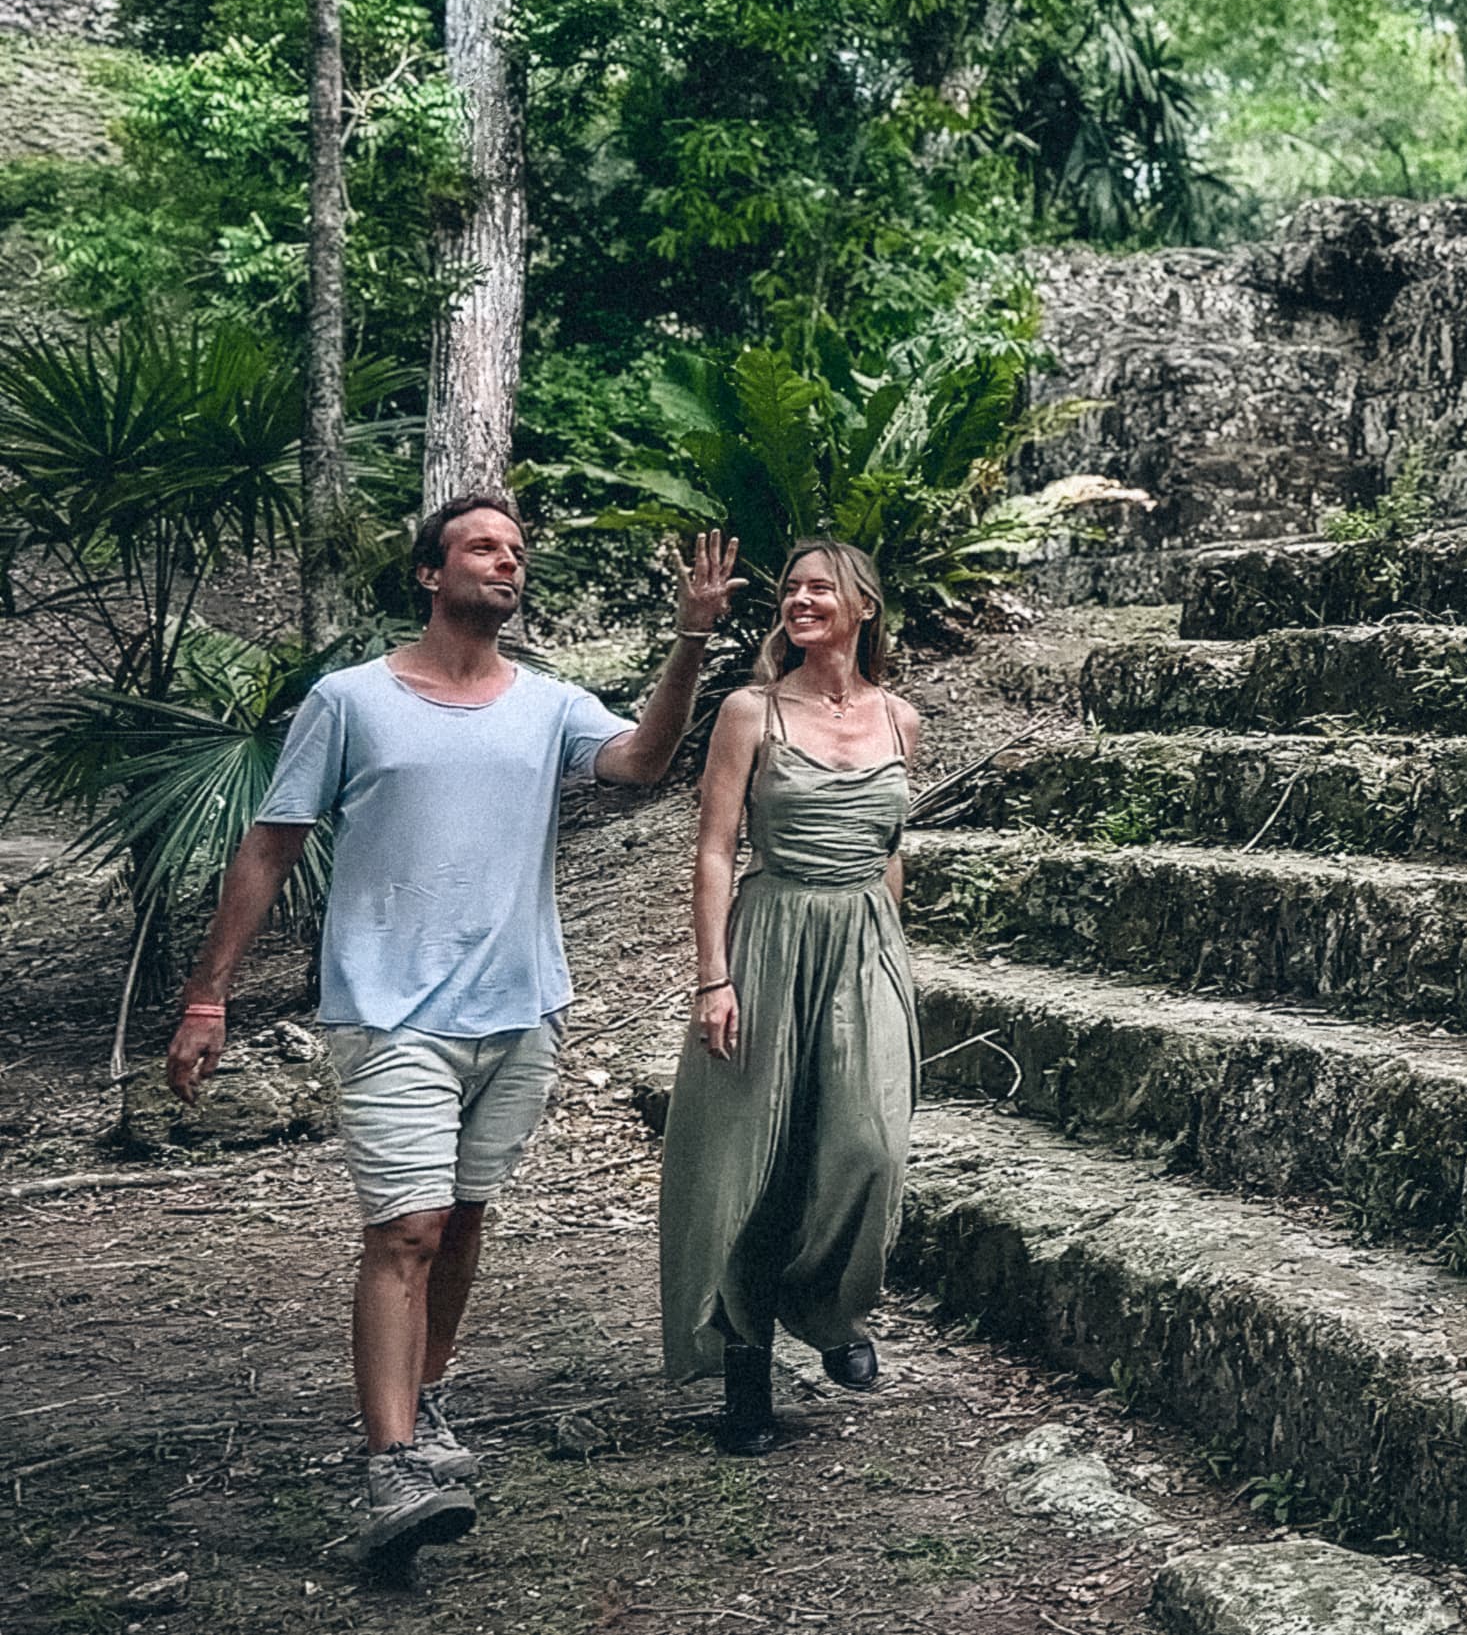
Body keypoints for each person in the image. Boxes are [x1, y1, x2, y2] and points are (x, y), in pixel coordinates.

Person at [165, 495, 742, 1572]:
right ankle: (390, 1463)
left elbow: (641, 762)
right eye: (484, 545)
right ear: (430, 573)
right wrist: (210, 996)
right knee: (407, 1229)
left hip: (520, 1008)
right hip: (388, 1009)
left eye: (518, 551)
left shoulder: (547, 701)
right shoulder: (348, 700)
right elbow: (270, 844)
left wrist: (691, 638)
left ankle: (423, 1404)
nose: (507, 561)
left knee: (464, 1217)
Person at [656, 539, 921, 1455]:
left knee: (871, 1146)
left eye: (820, 588)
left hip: (865, 945)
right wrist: (714, 976)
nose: (800, 600)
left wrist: (890, 956)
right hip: (769, 938)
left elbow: (890, 848)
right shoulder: (749, 711)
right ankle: (746, 1388)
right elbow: (716, 850)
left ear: (864, 607)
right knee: (753, 1158)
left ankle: (830, 1308)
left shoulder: (900, 721)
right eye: (791, 589)